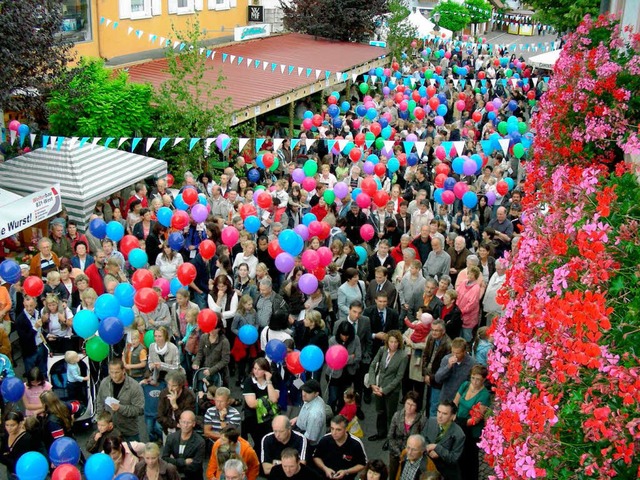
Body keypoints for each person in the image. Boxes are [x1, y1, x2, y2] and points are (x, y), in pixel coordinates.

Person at [367, 331, 408, 443]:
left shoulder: (403, 356)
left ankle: (390, 439)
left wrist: (384, 390)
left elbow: (399, 377)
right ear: (387, 342)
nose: (393, 344)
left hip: (392, 390)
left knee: (391, 415)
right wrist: (372, 384)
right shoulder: (382, 350)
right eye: (391, 341)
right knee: (380, 412)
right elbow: (372, 366)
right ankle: (381, 433)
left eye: (395, 342)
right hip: (378, 386)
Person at [453, 365, 491, 480]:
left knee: (470, 459)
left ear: (483, 380)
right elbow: (455, 401)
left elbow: (476, 419)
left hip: (471, 432)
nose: (474, 381)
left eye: (478, 379)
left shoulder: (484, 395)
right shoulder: (465, 385)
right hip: (458, 424)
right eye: (473, 378)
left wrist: (458, 422)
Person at [96, 357, 145, 442]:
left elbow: (139, 410)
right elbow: (100, 403)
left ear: (123, 371)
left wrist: (120, 408)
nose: (114, 375)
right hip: (109, 431)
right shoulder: (104, 383)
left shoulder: (134, 386)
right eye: (111, 372)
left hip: (128, 432)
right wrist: (101, 423)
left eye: (117, 372)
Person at [242, 357, 280, 460]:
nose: (256, 371)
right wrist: (267, 400)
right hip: (253, 417)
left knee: (268, 440)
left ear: (265, 370)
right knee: (260, 442)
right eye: (255, 368)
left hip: (269, 416)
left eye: (259, 369)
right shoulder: (249, 381)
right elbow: (251, 404)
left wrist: (268, 381)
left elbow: (274, 399)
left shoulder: (272, 380)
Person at [313, 415, 367, 480]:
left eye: (338, 430)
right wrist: (325, 468)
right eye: (332, 428)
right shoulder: (325, 440)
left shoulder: (356, 444)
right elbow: (316, 457)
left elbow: (363, 464)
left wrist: (346, 471)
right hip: (325, 476)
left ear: (346, 429)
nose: (334, 433)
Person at [421, 401, 465, 480]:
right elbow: (422, 439)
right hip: (427, 468)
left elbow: (453, 458)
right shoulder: (431, 421)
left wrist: (437, 448)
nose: (440, 416)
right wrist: (428, 449)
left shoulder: (459, 434)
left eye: (444, 414)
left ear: (453, 416)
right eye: (438, 412)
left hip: (446, 473)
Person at [387, 392, 427, 480]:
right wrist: (399, 453)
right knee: (393, 476)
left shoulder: (421, 420)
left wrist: (408, 453)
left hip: (412, 454)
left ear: (417, 406)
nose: (409, 407)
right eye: (408, 403)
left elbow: (422, 439)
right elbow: (390, 436)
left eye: (413, 405)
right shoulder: (397, 415)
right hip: (395, 452)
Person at [326, 321, 361, 412]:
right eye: (343, 335)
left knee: (343, 398)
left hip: (348, 375)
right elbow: (333, 359)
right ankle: (330, 413)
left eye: (347, 335)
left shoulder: (355, 339)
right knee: (333, 397)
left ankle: (340, 414)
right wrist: (350, 357)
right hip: (334, 374)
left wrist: (341, 359)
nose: (345, 338)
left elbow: (358, 357)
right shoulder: (332, 341)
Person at [162, 410, 206, 479]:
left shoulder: (200, 442)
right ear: (179, 422)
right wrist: (183, 462)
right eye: (183, 422)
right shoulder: (171, 438)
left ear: (194, 424)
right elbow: (164, 458)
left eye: (188, 422)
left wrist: (174, 463)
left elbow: (196, 465)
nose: (185, 425)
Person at [421, 320, 452, 418]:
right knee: (427, 403)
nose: (433, 332)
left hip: (438, 380)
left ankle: (432, 428)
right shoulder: (431, 338)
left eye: (437, 330)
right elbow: (425, 356)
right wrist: (425, 373)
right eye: (432, 330)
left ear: (443, 331)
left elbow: (446, 369)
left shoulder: (448, 345)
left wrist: (432, 378)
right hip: (428, 375)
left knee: (434, 406)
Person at [0, 411, 44, 477]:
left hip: (23, 474)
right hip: (11, 472)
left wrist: (2, 457)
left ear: (20, 424)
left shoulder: (26, 439)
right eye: (7, 425)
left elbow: (19, 462)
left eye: (12, 425)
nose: (9, 428)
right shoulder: (7, 435)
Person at [434, 338, 475, 403]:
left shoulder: (472, 363)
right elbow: (437, 379)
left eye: (458, 353)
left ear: (464, 352)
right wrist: (448, 366)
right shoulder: (446, 359)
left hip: (461, 400)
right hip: (445, 399)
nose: (454, 355)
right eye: (453, 352)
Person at [15, 295, 48, 377]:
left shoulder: (38, 313)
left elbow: (41, 331)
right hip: (30, 352)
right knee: (31, 375)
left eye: (31, 306)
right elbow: (25, 339)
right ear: (23, 304)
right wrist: (35, 328)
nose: (29, 308)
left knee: (43, 371)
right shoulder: (20, 320)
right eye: (26, 306)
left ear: (35, 304)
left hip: (41, 347)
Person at [157, 370, 197, 436]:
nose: (170, 388)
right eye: (169, 385)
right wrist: (175, 424)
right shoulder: (164, 393)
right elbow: (160, 416)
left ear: (181, 385)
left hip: (184, 431)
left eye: (174, 386)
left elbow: (187, 418)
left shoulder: (189, 396)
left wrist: (175, 406)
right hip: (167, 428)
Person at [292, 379, 327, 446]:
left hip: (307, 443)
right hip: (300, 429)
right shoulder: (311, 398)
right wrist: (297, 418)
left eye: (308, 392)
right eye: (303, 390)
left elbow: (310, 438)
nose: (304, 394)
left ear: (316, 394)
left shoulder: (315, 415)